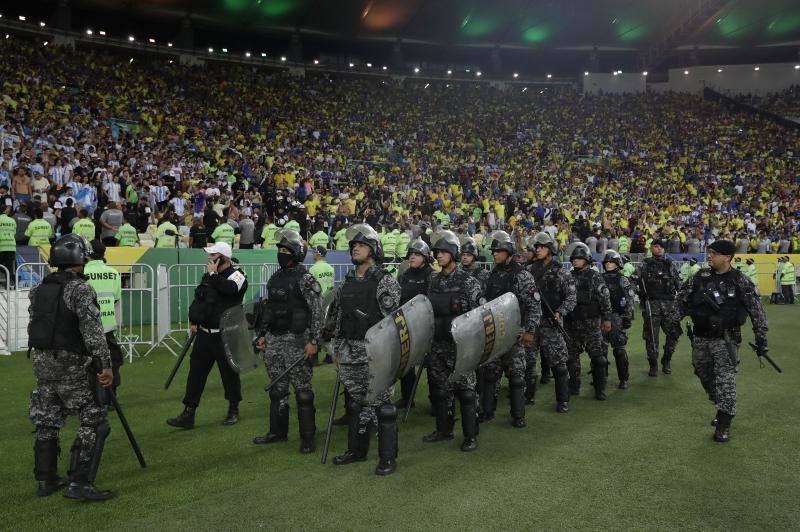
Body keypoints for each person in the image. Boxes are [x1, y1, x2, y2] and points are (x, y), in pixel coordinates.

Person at [28, 234, 115, 500]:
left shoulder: (39, 289)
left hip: (42, 364)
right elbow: (93, 333)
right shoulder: (80, 289)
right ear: (79, 258)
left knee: (47, 421)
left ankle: (47, 480)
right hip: (71, 365)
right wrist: (106, 365)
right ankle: (80, 483)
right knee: (95, 419)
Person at [666, 240, 768, 443]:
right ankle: (720, 403)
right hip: (701, 338)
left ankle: (724, 422)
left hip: (726, 340)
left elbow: (756, 310)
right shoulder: (699, 277)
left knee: (725, 380)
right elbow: (682, 300)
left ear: (727, 257)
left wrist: (761, 337)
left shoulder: (740, 280)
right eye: (709, 252)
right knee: (702, 373)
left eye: (714, 253)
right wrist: (673, 320)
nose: (709, 256)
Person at [323, 223, 401, 475]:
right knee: (356, 405)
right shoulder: (346, 282)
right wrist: (335, 349)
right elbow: (337, 318)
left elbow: (393, 323)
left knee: (382, 407)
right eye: (353, 245)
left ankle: (387, 458)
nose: (355, 248)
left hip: (375, 353)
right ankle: (357, 451)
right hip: (348, 351)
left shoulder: (384, 281)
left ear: (373, 249)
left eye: (361, 244)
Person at [253, 230, 322, 454]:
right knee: (277, 390)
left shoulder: (306, 278)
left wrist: (314, 341)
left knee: (303, 392)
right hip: (274, 341)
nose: (281, 254)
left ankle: (308, 438)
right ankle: (277, 432)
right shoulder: (275, 278)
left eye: (285, 251)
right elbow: (268, 310)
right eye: (279, 250)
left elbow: (318, 311)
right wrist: (262, 335)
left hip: (298, 342)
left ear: (296, 253)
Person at [166, 242, 248, 429]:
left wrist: (212, 276)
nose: (209, 259)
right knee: (196, 374)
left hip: (226, 336)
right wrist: (194, 320)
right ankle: (188, 413)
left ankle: (233, 409)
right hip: (204, 334)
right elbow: (199, 300)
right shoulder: (208, 277)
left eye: (213, 255)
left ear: (223, 258)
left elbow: (230, 289)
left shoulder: (238, 275)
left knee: (229, 375)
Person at [423, 230, 482, 451]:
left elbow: (478, 315)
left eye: (443, 252)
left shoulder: (468, 281)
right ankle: (443, 430)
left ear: (453, 254)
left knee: (466, 392)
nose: (438, 256)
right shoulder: (434, 281)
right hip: (438, 345)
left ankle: (470, 436)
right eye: (436, 252)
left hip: (461, 347)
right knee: (440, 390)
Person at [480, 230, 541, 427]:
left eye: (498, 251)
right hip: (496, 334)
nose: (494, 254)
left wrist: (530, 331)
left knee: (516, 376)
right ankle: (487, 412)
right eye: (493, 251)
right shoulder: (492, 275)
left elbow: (533, 307)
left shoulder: (522, 276)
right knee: (490, 375)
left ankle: (518, 416)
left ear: (508, 252)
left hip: (515, 334)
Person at [528, 232, 576, 412]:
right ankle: (528, 396)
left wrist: (560, 311)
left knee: (559, 363)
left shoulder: (561, 272)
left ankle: (563, 400)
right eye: (537, 247)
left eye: (542, 247)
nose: (538, 250)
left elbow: (571, 297)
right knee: (528, 361)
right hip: (532, 324)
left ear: (551, 249)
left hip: (551, 323)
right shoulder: (530, 271)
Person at [564, 243, 613, 400]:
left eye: (578, 258)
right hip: (573, 324)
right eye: (573, 259)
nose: (575, 261)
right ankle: (574, 386)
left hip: (591, 324)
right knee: (571, 358)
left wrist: (606, 318)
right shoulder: (568, 276)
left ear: (586, 259)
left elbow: (604, 298)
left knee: (598, 358)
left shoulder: (595, 276)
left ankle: (600, 388)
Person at [395, 238, 434, 409]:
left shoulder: (432, 276)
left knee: (433, 366)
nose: (412, 257)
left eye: (416, 254)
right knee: (406, 365)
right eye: (410, 254)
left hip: (426, 327)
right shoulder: (404, 276)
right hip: (407, 326)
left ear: (425, 257)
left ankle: (436, 401)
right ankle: (407, 398)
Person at [84, 241, 124, 402]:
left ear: (87, 254)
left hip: (88, 326)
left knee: (87, 362)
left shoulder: (82, 272)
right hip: (107, 324)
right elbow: (116, 298)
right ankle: (111, 397)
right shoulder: (113, 272)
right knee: (112, 361)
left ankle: (92, 397)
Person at [636, 238, 682, 376]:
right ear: (651, 248)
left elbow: (678, 284)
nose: (659, 249)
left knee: (673, 334)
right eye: (656, 246)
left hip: (669, 306)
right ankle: (653, 364)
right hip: (652, 305)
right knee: (651, 337)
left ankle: (666, 360)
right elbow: (634, 281)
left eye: (661, 247)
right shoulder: (644, 265)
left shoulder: (670, 265)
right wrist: (641, 294)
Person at [600, 250, 634, 389]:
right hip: (601, 317)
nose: (608, 264)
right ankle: (601, 377)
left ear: (617, 264)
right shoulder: (599, 278)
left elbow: (630, 299)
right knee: (600, 350)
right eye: (607, 262)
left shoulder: (622, 279)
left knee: (619, 350)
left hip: (617, 317)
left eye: (611, 262)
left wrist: (627, 316)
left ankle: (623, 378)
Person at [0, 205, 17, 287]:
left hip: (1, 246)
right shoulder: (12, 220)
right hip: (11, 246)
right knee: (10, 266)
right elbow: (14, 233)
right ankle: (9, 284)